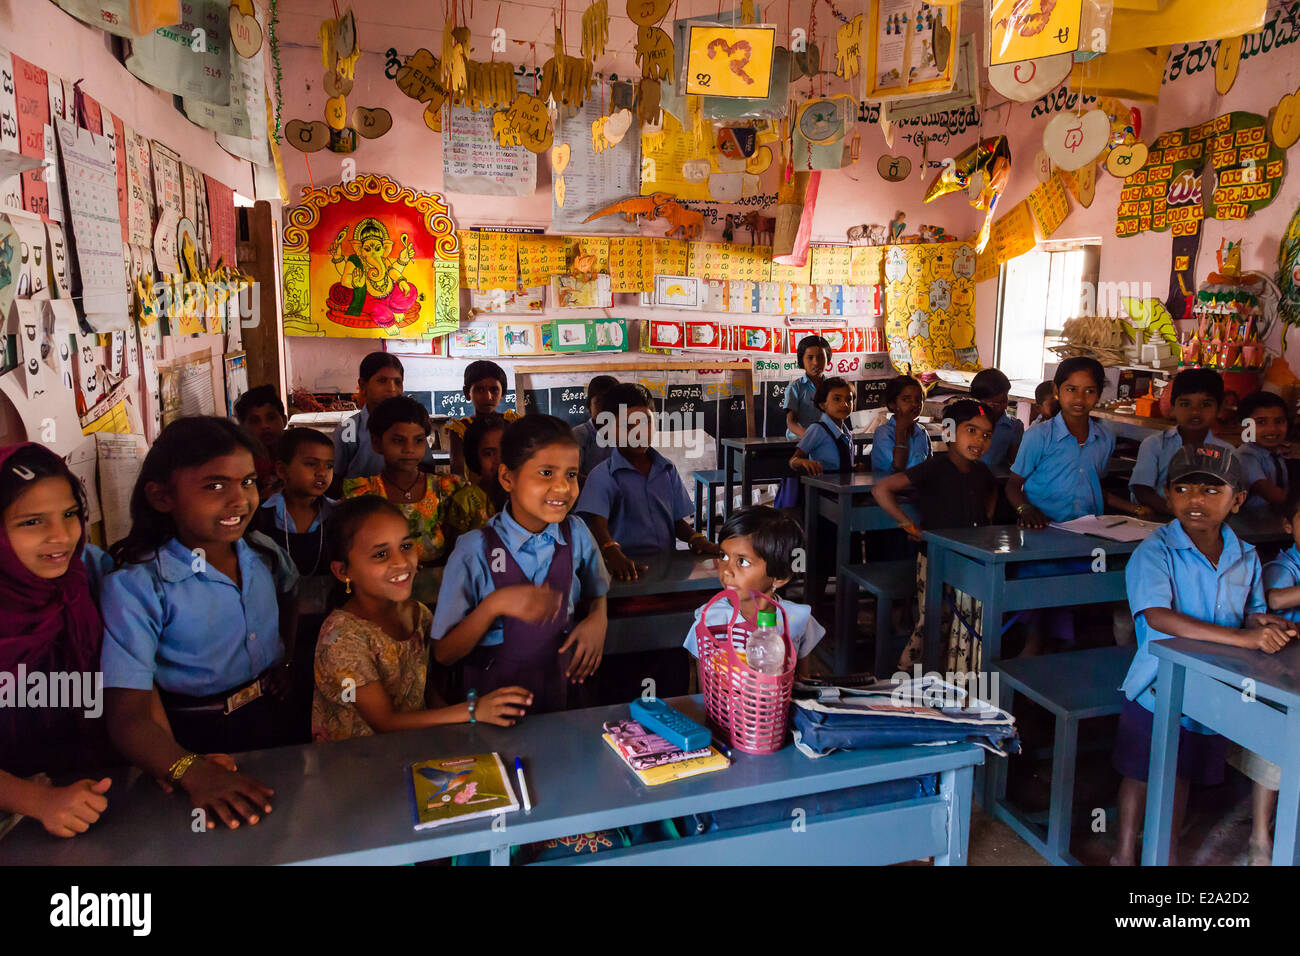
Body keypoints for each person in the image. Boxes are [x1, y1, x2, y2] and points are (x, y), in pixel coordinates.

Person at [100, 417, 299, 830]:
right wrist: (193, 771)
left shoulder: (260, 552)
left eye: (247, 481)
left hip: (275, 715)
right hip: (192, 740)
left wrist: (285, 661)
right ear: (161, 496)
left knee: (286, 826)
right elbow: (127, 717)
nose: (240, 500)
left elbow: (289, 597)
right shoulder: (139, 586)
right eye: (214, 486)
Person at [1111, 446, 1295, 866]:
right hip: (1156, 686)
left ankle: (1166, 853)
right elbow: (1158, 617)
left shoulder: (1245, 555)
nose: (1196, 499)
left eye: (1212, 491)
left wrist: (1264, 626)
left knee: (1180, 776)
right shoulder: (1154, 551)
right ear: (1167, 494)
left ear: (1239, 499)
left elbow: (1250, 613)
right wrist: (1244, 640)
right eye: (1184, 488)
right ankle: (1122, 853)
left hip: (1211, 690)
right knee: (1140, 773)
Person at [312, 496, 532, 739]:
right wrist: (473, 710)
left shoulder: (418, 615)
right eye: (380, 554)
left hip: (412, 749)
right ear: (343, 571)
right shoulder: (341, 638)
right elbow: (385, 722)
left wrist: (459, 731)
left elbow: (424, 690)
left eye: (405, 547)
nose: (401, 562)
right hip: (354, 765)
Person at [432, 415, 611, 713]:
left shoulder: (576, 533)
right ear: (507, 479)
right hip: (495, 705)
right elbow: (444, 654)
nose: (563, 488)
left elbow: (597, 591)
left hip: (564, 698)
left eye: (570, 475)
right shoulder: (474, 549)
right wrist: (494, 604)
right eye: (545, 473)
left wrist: (598, 619)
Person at [0, 443, 112, 838]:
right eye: (32, 522)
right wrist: (36, 800)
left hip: (86, 796)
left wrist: (174, 765)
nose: (62, 535)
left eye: (69, 515)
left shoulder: (81, 584)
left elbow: (123, 686)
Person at [873, 400, 997, 672]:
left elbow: (992, 491)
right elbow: (882, 489)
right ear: (950, 431)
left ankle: (953, 677)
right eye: (972, 431)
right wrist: (908, 524)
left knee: (964, 620)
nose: (980, 440)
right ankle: (906, 674)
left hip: (970, 560)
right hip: (936, 560)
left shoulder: (981, 472)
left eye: (987, 435)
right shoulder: (934, 467)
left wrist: (985, 521)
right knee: (932, 620)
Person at [575, 383, 722, 581]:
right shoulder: (602, 476)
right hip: (623, 571)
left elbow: (676, 521)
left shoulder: (667, 470)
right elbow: (596, 524)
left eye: (646, 423)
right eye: (628, 425)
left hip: (665, 568)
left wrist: (696, 538)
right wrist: (611, 552)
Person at [253, 427, 337, 740]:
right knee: (286, 717)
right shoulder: (260, 519)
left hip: (328, 633)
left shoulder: (338, 516)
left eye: (328, 465)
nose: (322, 473)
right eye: (311, 464)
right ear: (281, 470)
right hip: (276, 635)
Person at [682, 506, 825, 678]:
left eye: (742, 562)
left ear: (780, 576)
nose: (727, 570)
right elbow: (706, 687)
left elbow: (802, 682)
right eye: (724, 556)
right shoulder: (710, 618)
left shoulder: (797, 619)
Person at [1008, 356, 1149, 528]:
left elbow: (1093, 488)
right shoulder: (1038, 436)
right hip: (1044, 528)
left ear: (1099, 394)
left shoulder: (1105, 438)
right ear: (1056, 390)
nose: (1080, 398)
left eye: (1089, 391)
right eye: (1071, 389)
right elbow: (1013, 485)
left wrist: (1137, 509)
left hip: (1090, 530)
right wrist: (1025, 509)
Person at [342, 396, 465, 569]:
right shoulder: (362, 494)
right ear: (377, 443)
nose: (409, 449)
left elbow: (462, 549)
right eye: (398, 440)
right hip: (382, 591)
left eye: (418, 440)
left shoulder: (445, 490)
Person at [1130, 367, 1233, 517]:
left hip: (1207, 523)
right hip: (1158, 520)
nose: (1195, 412)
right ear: (1172, 408)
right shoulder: (1155, 445)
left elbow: (1228, 495)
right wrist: (1178, 513)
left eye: (1205, 405)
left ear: (1219, 409)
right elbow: (1142, 490)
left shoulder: (1226, 452)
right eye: (1185, 404)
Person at [331, 352, 438, 489]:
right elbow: (334, 479)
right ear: (363, 385)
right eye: (382, 381)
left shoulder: (412, 425)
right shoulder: (349, 429)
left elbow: (426, 467)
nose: (392, 389)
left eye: (397, 382)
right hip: (362, 505)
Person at [445, 360, 520, 477]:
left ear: (503, 393)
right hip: (474, 492)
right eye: (479, 389)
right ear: (467, 393)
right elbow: (457, 473)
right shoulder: (460, 429)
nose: (488, 396)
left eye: (494, 389)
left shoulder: (512, 424)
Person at [1234, 390, 1291, 513]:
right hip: (1251, 527)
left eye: (1279, 421)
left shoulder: (1278, 454)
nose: (1272, 429)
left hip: (1274, 524)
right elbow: (1273, 495)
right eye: (1261, 422)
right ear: (1243, 427)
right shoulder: (1245, 456)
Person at [788, 376, 858, 477]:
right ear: (822, 404)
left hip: (844, 490)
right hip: (825, 490)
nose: (845, 404)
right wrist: (804, 462)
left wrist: (853, 468)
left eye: (849, 399)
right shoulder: (817, 429)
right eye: (837, 399)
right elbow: (793, 461)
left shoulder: (846, 433)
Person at [870, 375, 932, 475]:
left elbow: (929, 467)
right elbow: (897, 467)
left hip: (918, 488)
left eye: (918, 399)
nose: (914, 404)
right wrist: (900, 431)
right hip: (889, 488)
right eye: (906, 399)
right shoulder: (883, 433)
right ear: (892, 404)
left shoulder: (922, 431)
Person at [234, 384, 288, 497]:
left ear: (284, 420)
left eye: (271, 418)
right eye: (254, 421)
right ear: (242, 428)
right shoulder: (239, 466)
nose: (264, 426)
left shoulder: (298, 453)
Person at [970, 368, 1023, 472]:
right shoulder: (966, 420)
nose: (1003, 407)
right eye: (994, 404)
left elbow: (1015, 462)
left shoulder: (1014, 427)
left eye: (1004, 400)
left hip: (994, 479)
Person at [783, 335, 832, 439]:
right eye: (810, 358)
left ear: (827, 359)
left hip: (824, 440)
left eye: (821, 357)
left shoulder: (832, 387)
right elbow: (791, 422)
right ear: (802, 361)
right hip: (798, 441)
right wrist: (809, 436)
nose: (816, 362)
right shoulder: (795, 388)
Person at [573, 374, 619, 482]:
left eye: (610, 402)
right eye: (599, 401)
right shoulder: (579, 435)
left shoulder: (623, 435)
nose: (605, 407)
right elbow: (572, 474)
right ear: (589, 407)